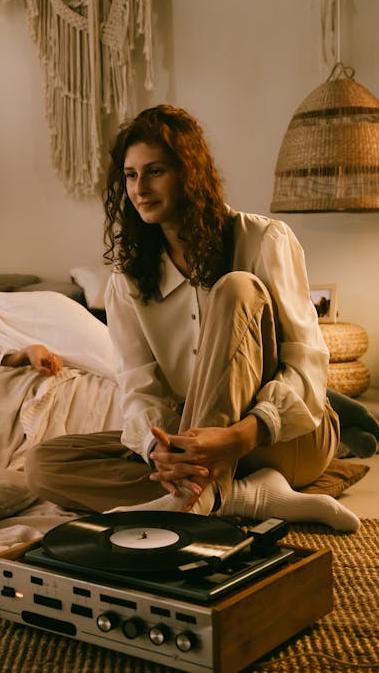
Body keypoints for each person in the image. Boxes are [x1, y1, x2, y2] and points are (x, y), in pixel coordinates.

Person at [25, 105, 362, 531]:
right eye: (130, 176)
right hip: (197, 447)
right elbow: (139, 388)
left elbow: (307, 368)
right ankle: (244, 495)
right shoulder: (127, 281)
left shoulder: (263, 241)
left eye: (155, 171)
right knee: (43, 464)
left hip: (283, 438)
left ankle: (191, 496)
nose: (139, 188)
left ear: (189, 172)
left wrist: (240, 436)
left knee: (236, 288)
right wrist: (157, 449)